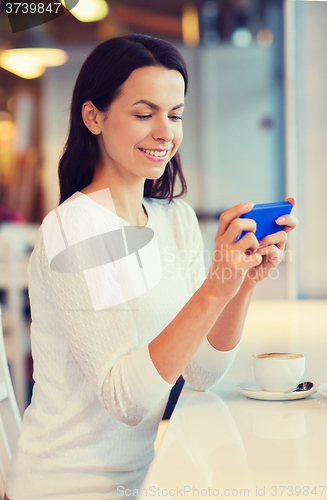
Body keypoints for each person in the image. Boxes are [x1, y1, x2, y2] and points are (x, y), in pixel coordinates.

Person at [5, 34, 298, 500]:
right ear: (93, 116)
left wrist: (236, 284)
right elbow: (126, 399)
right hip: (68, 487)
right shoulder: (76, 229)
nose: (167, 132)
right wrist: (212, 291)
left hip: (144, 478)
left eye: (175, 114)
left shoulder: (173, 218)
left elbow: (202, 372)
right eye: (145, 114)